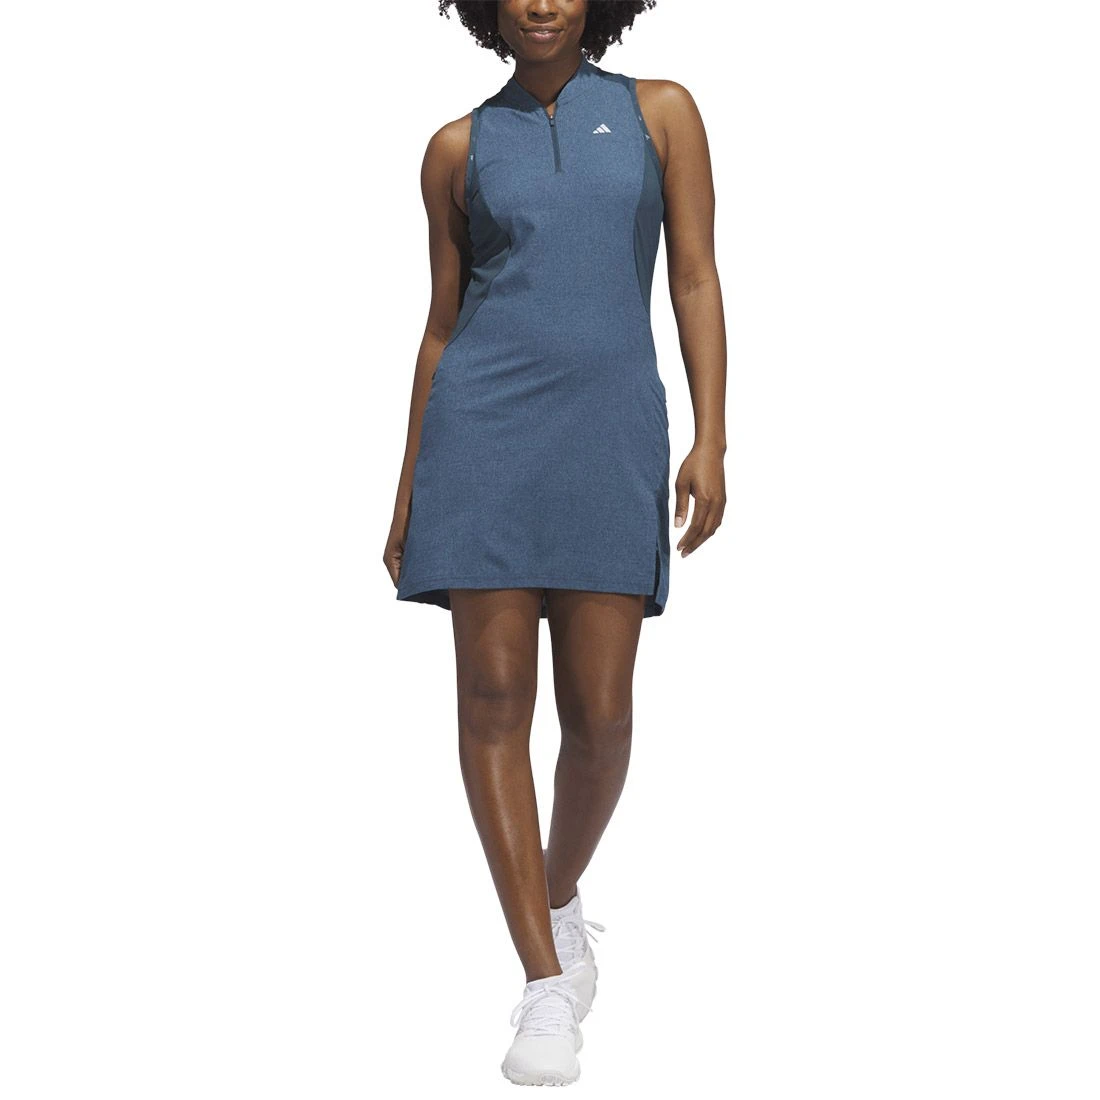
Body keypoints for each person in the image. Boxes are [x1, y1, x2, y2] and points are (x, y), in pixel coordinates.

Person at [383, 0, 726, 1085]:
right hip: (481, 435)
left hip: (609, 432)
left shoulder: (662, 113)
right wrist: (408, 488)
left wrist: (711, 436)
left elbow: (693, 276)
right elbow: (441, 325)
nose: (541, 2)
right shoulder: (456, 147)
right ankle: (541, 978)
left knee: (601, 714)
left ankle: (558, 893)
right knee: (492, 698)